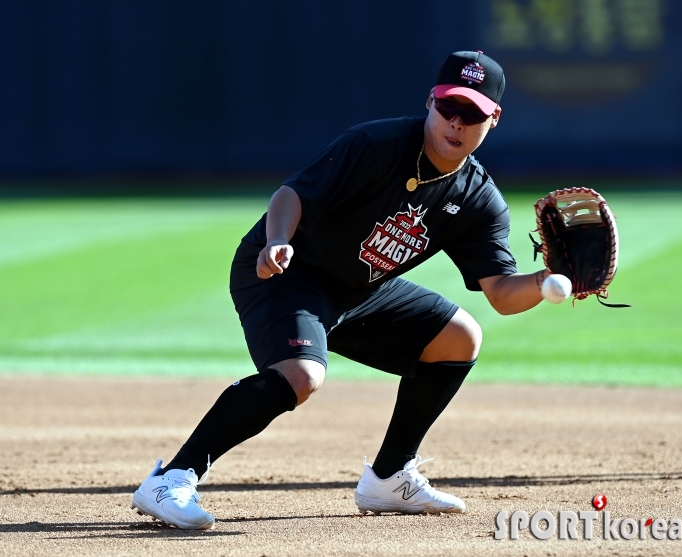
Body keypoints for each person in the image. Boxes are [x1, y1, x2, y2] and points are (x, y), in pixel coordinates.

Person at [131, 50, 551, 530]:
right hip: (286, 270)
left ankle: (390, 477)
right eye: (447, 107)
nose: (455, 122)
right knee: (301, 375)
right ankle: (172, 478)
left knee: (460, 336)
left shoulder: (479, 199)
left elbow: (500, 292)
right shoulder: (377, 145)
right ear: (430, 103)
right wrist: (276, 242)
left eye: (471, 113)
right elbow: (292, 194)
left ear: (493, 118)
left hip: (359, 289)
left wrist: (546, 281)